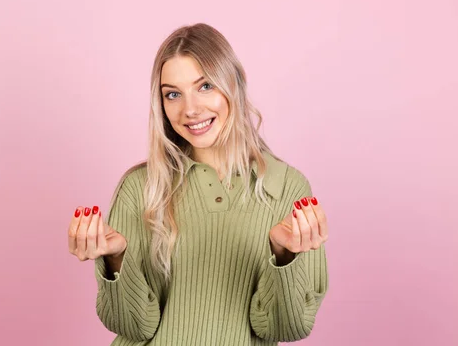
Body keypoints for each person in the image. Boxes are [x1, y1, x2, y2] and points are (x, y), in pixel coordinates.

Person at [68, 23, 329, 345]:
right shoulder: (141, 187)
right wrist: (116, 258)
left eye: (205, 86)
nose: (190, 109)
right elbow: (133, 326)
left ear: (234, 83)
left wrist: (284, 256)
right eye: (173, 94)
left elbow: (285, 329)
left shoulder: (287, 187)